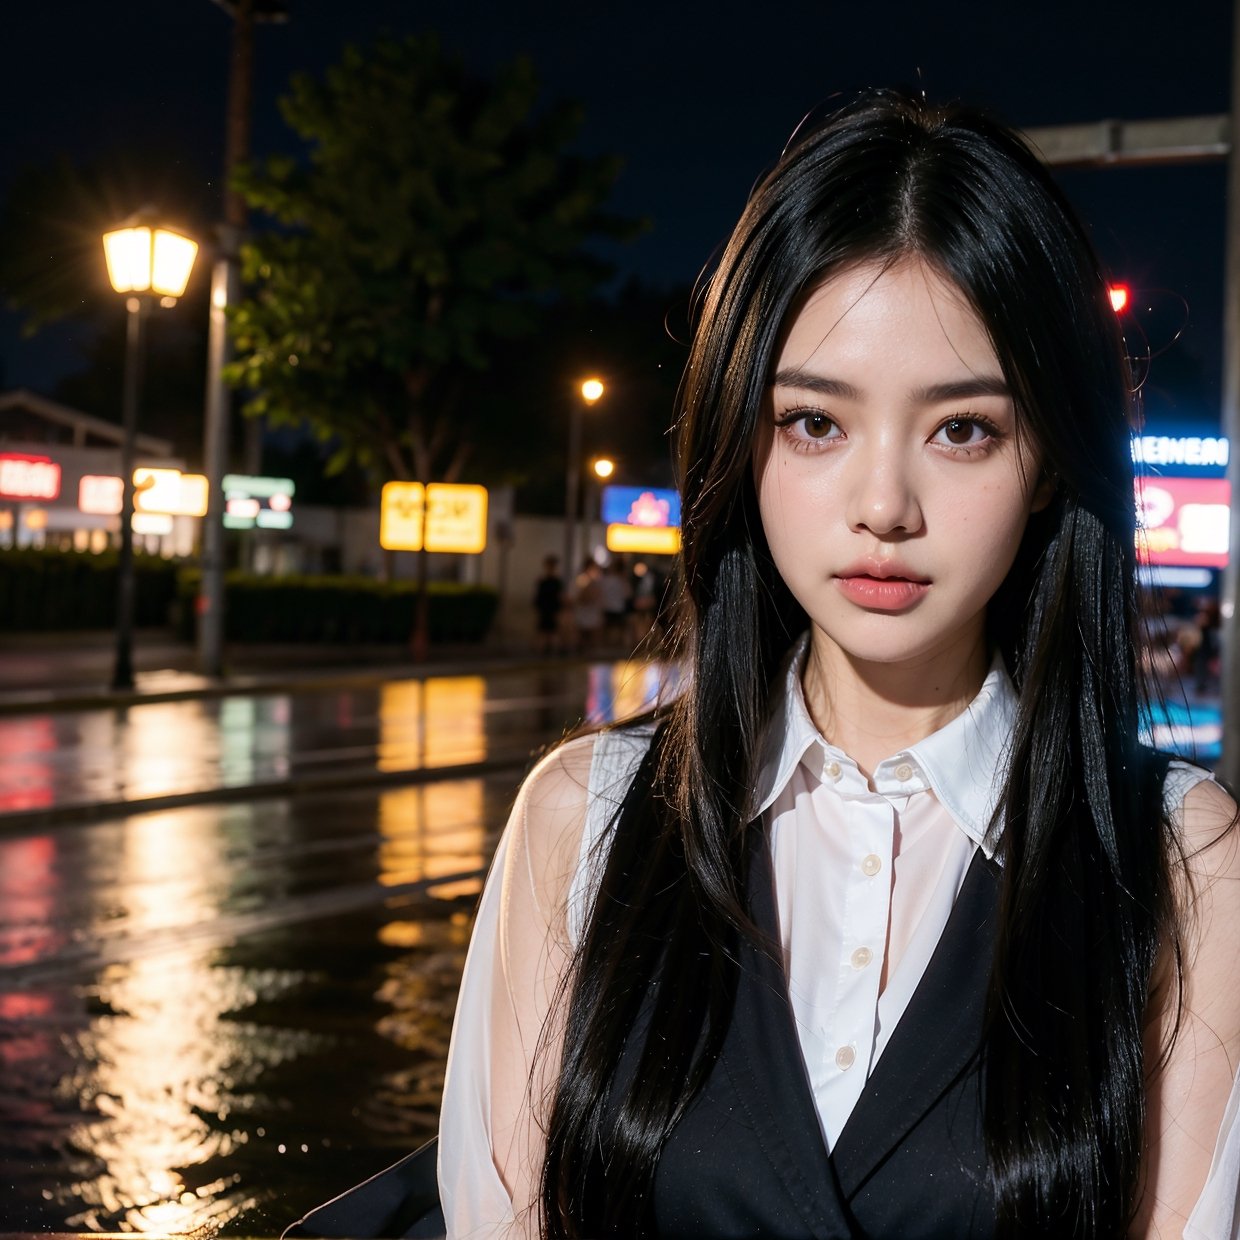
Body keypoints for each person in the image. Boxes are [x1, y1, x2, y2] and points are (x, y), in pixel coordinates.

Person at [293, 91, 1240, 1239]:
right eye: (815, 424)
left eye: (962, 430)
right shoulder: (583, 819)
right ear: (742, 437)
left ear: (1047, 462)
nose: (883, 506)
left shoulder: (1183, 861)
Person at [532, 555, 564, 656]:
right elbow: (538, 596)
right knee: (543, 631)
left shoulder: (557, 582)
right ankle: (541, 652)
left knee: (552, 632)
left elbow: (559, 596)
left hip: (552, 609)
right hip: (544, 609)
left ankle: (552, 651)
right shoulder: (543, 581)